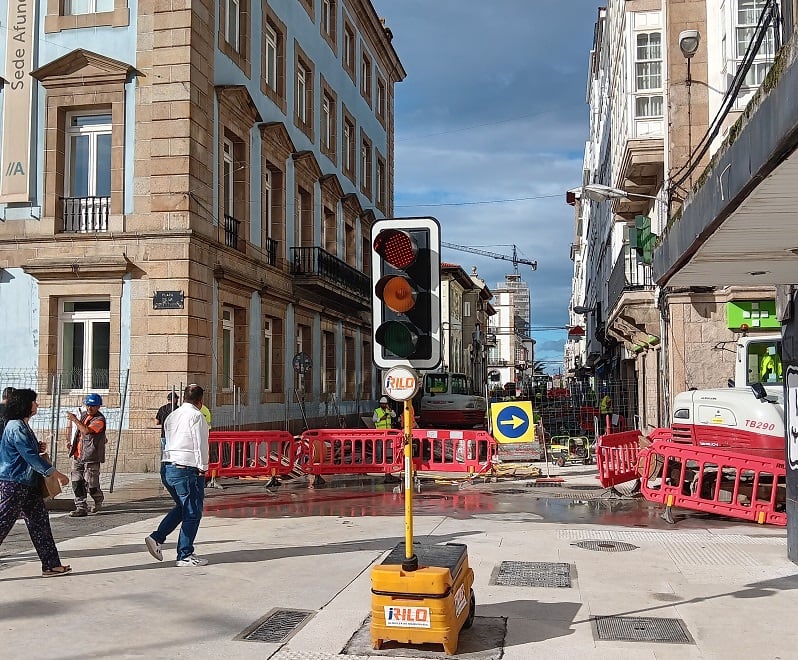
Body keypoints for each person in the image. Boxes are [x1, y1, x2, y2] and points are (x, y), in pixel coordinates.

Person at [0, 388, 72, 577]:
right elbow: (30, 457)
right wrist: (57, 474)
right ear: (25, 405)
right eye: (34, 401)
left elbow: (27, 451)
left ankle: (50, 565)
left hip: (27, 483)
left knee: (40, 522)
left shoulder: (23, 425)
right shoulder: (15, 426)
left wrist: (37, 445)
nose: (37, 404)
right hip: (14, 482)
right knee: (4, 521)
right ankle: (50, 564)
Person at [145, 384, 210, 567]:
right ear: (200, 401)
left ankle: (157, 538)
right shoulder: (197, 416)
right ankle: (185, 554)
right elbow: (200, 444)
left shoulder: (172, 415)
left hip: (168, 467)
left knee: (182, 507)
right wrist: (203, 467)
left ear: (183, 398)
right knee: (192, 512)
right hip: (187, 468)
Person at [65, 393, 107, 517]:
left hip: (91, 456)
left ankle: (98, 499)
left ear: (98, 406)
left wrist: (75, 420)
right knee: (77, 481)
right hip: (78, 455)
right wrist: (70, 442)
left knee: (91, 484)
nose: (89, 408)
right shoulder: (83, 416)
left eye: (93, 406)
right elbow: (74, 429)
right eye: (88, 405)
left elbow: (86, 431)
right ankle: (81, 506)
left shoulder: (99, 419)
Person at [155, 392, 179, 484]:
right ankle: (172, 475)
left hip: (164, 435)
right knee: (174, 456)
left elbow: (157, 422)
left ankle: (164, 476)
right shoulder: (177, 409)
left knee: (164, 457)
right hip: (174, 436)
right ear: (175, 399)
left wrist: (164, 422)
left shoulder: (162, 409)